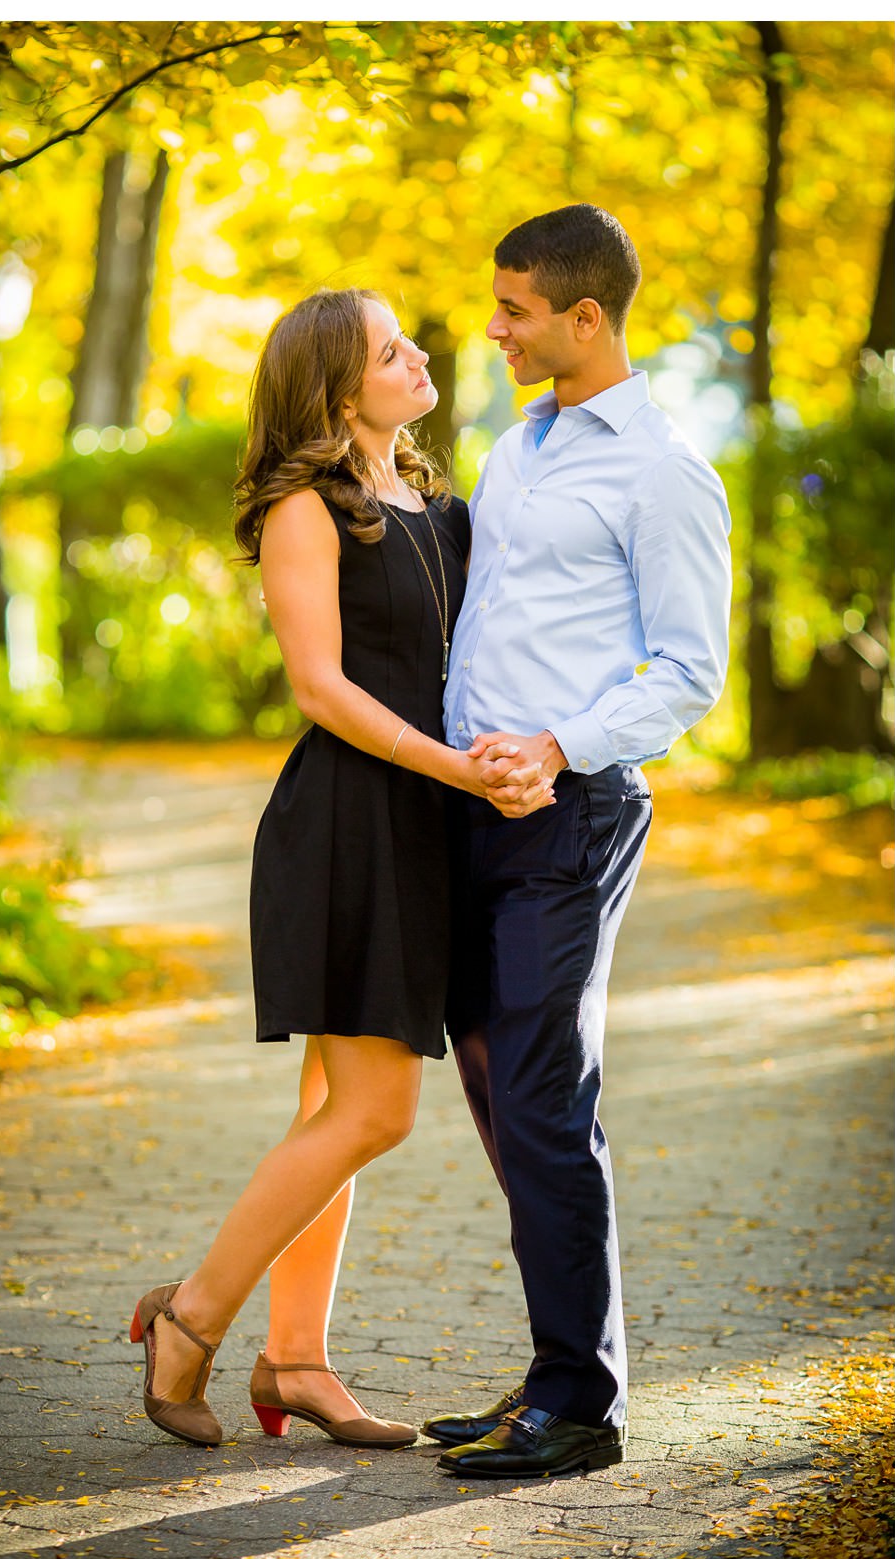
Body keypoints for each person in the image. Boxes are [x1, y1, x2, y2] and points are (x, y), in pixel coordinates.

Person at [129, 287, 552, 1451]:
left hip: (427, 821)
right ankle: (192, 1319)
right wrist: (456, 770)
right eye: (389, 349)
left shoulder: (440, 503)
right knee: (374, 1109)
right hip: (351, 819)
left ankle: (298, 1359)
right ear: (334, 386)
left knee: (331, 1103)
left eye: (410, 339)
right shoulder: (304, 509)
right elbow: (320, 686)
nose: (419, 356)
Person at [424, 205, 733, 1479]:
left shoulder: (660, 468)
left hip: (576, 809)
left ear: (584, 317)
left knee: (546, 1092)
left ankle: (582, 1404)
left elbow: (689, 672)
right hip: (471, 814)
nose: (494, 329)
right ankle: (559, 1364)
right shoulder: (521, 447)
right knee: (499, 1082)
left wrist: (554, 746)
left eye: (515, 311)